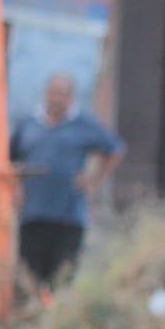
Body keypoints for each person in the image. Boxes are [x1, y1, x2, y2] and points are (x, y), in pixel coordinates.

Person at [10, 73, 125, 297]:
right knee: (28, 280)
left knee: (61, 280)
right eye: (54, 92)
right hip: (33, 214)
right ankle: (30, 316)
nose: (57, 98)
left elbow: (115, 150)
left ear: (71, 97)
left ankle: (55, 317)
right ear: (46, 93)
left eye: (63, 94)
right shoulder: (28, 125)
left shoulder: (83, 124)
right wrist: (16, 188)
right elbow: (11, 160)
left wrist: (93, 180)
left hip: (68, 216)